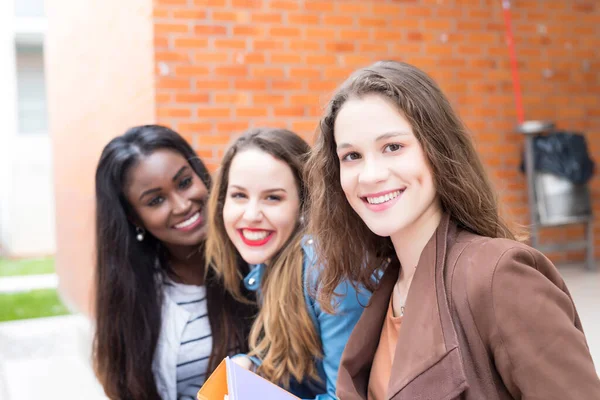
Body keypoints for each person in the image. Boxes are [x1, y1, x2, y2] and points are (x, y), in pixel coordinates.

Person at [305, 61, 600, 399]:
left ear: (437, 151)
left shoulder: (499, 276)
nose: (370, 175)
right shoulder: (387, 285)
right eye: (352, 156)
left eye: (393, 147)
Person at [93, 125, 256, 400]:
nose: (182, 205)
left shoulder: (255, 260)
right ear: (134, 219)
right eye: (156, 200)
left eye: (184, 182)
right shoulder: (133, 298)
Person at [205, 128, 370, 399]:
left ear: (304, 205)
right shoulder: (271, 258)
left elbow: (346, 396)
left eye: (273, 197)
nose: (252, 214)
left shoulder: (328, 271)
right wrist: (252, 365)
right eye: (239, 195)